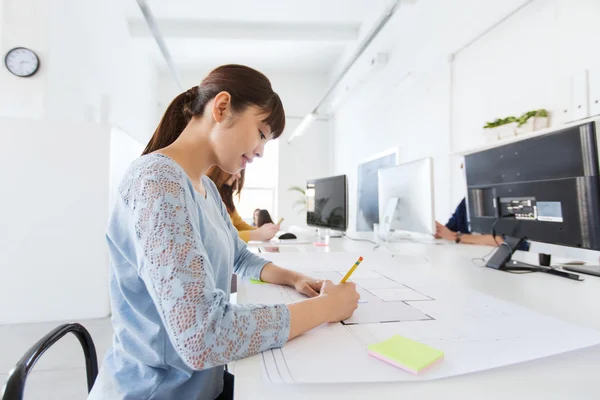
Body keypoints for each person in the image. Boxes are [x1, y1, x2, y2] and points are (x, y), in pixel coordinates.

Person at [89, 64, 360, 400]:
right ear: (221, 107)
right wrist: (326, 309)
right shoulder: (158, 183)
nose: (261, 151)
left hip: (201, 385)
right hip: (157, 391)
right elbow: (203, 337)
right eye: (261, 133)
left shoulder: (204, 187)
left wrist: (293, 278)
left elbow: (240, 255)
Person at [206, 166, 279, 242]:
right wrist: (258, 234)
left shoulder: (224, 196)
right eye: (237, 169)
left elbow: (239, 225)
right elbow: (220, 237)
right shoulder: (204, 191)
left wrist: (265, 231)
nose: (239, 175)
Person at [436, 198, 529, 250]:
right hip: (474, 259)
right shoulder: (466, 202)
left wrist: (457, 237)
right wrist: (434, 228)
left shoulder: (507, 198)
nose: (461, 167)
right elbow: (449, 231)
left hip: (513, 260)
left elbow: (501, 241)